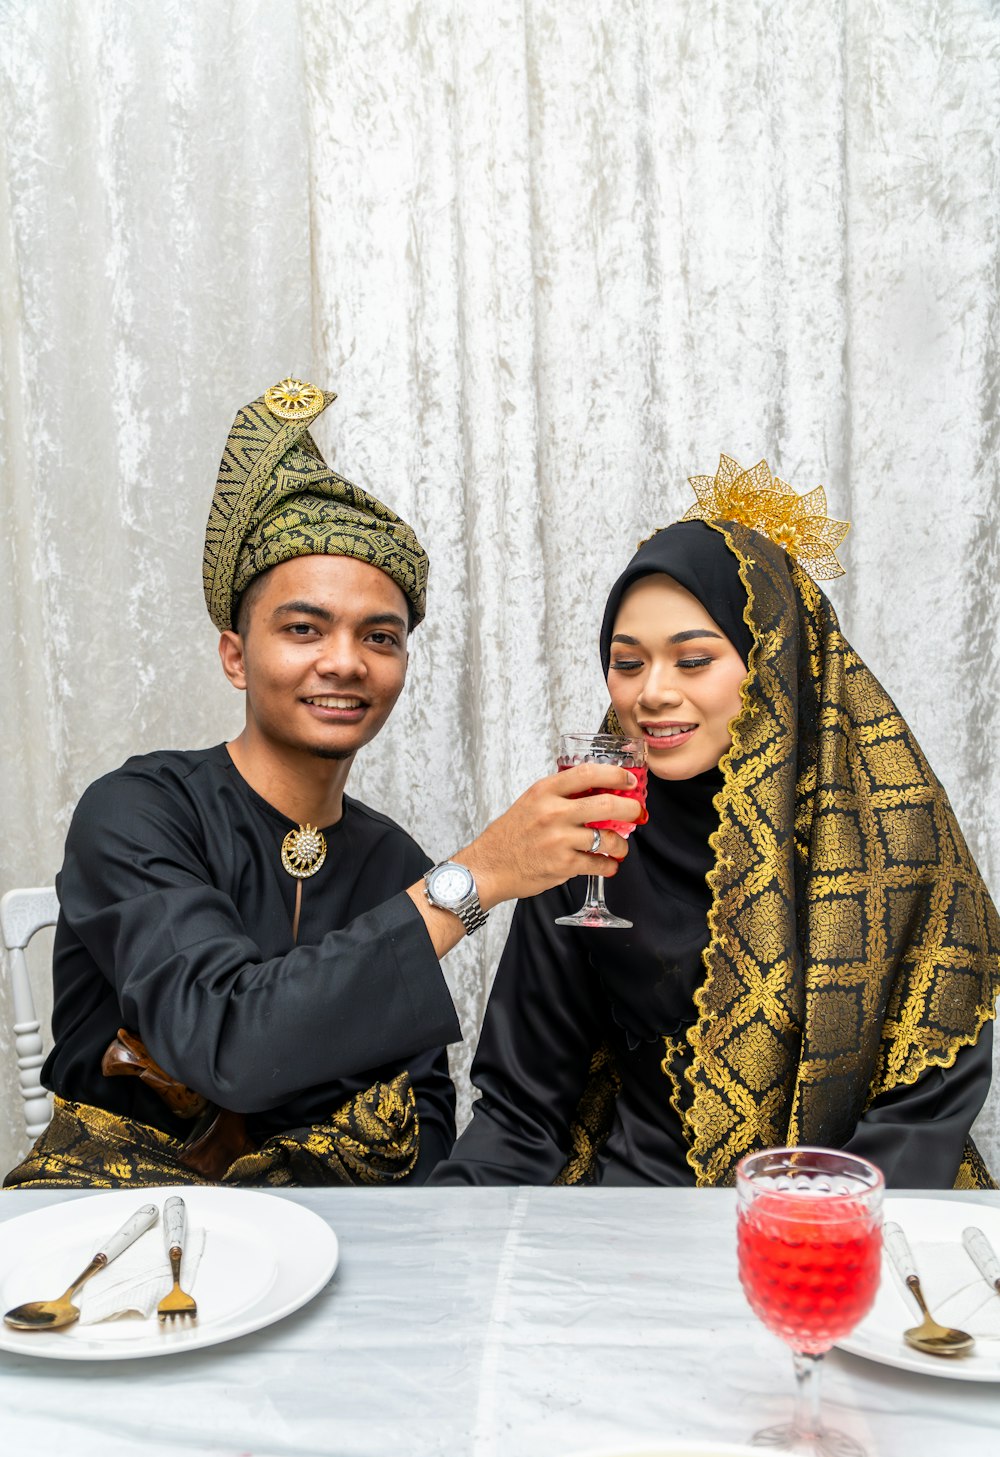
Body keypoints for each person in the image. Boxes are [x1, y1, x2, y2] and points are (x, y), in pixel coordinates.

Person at [4, 378, 640, 1190]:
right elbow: (228, 1042)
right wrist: (475, 878)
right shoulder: (136, 812)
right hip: (119, 1224)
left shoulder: (387, 859)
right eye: (303, 628)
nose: (344, 661)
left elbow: (420, 1109)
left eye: (380, 635)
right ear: (235, 654)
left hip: (325, 1233)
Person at [435, 455, 999, 1190]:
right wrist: (450, 1239)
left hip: (843, 1233)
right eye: (627, 663)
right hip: (631, 1235)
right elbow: (522, 1106)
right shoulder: (587, 835)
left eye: (693, 660)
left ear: (775, 664)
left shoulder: (893, 833)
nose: (653, 693)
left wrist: (800, 1240)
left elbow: (923, 1109)